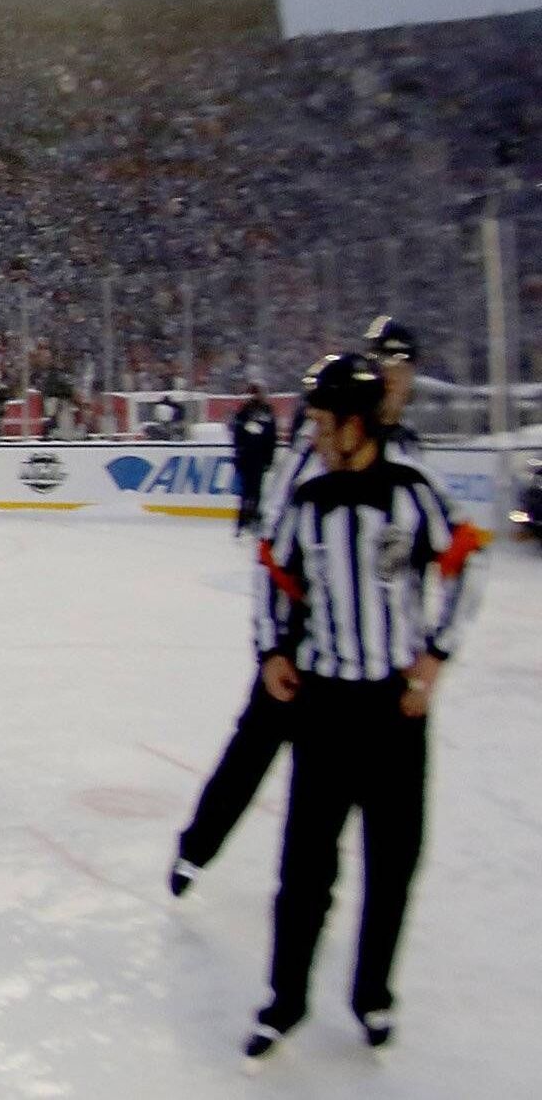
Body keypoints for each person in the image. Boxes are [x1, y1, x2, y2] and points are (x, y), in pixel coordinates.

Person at [240, 352, 487, 1063]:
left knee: (392, 862)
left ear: (356, 422)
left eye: (322, 421)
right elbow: (272, 571)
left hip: (393, 712)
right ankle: (284, 999)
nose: (314, 433)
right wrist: (270, 652)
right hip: (323, 705)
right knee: (305, 867)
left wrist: (437, 653)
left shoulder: (413, 488)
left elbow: (467, 557)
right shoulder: (307, 492)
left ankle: (372, 994)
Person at [173, 314, 429, 894]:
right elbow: (275, 548)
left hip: (368, 665)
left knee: (343, 788)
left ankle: (324, 889)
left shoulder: (408, 456)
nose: (392, 377)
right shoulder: (322, 445)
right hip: (304, 642)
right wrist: (274, 643)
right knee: (255, 745)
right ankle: (196, 847)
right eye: (382, 364)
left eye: (401, 366)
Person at [230, 384, 280, 534]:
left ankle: (253, 520)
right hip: (246, 457)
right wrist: (238, 453)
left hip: (258, 458)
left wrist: (269, 457)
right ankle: (243, 522)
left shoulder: (267, 412)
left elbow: (271, 436)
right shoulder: (244, 412)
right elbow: (237, 434)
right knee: (246, 492)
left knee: (256, 492)